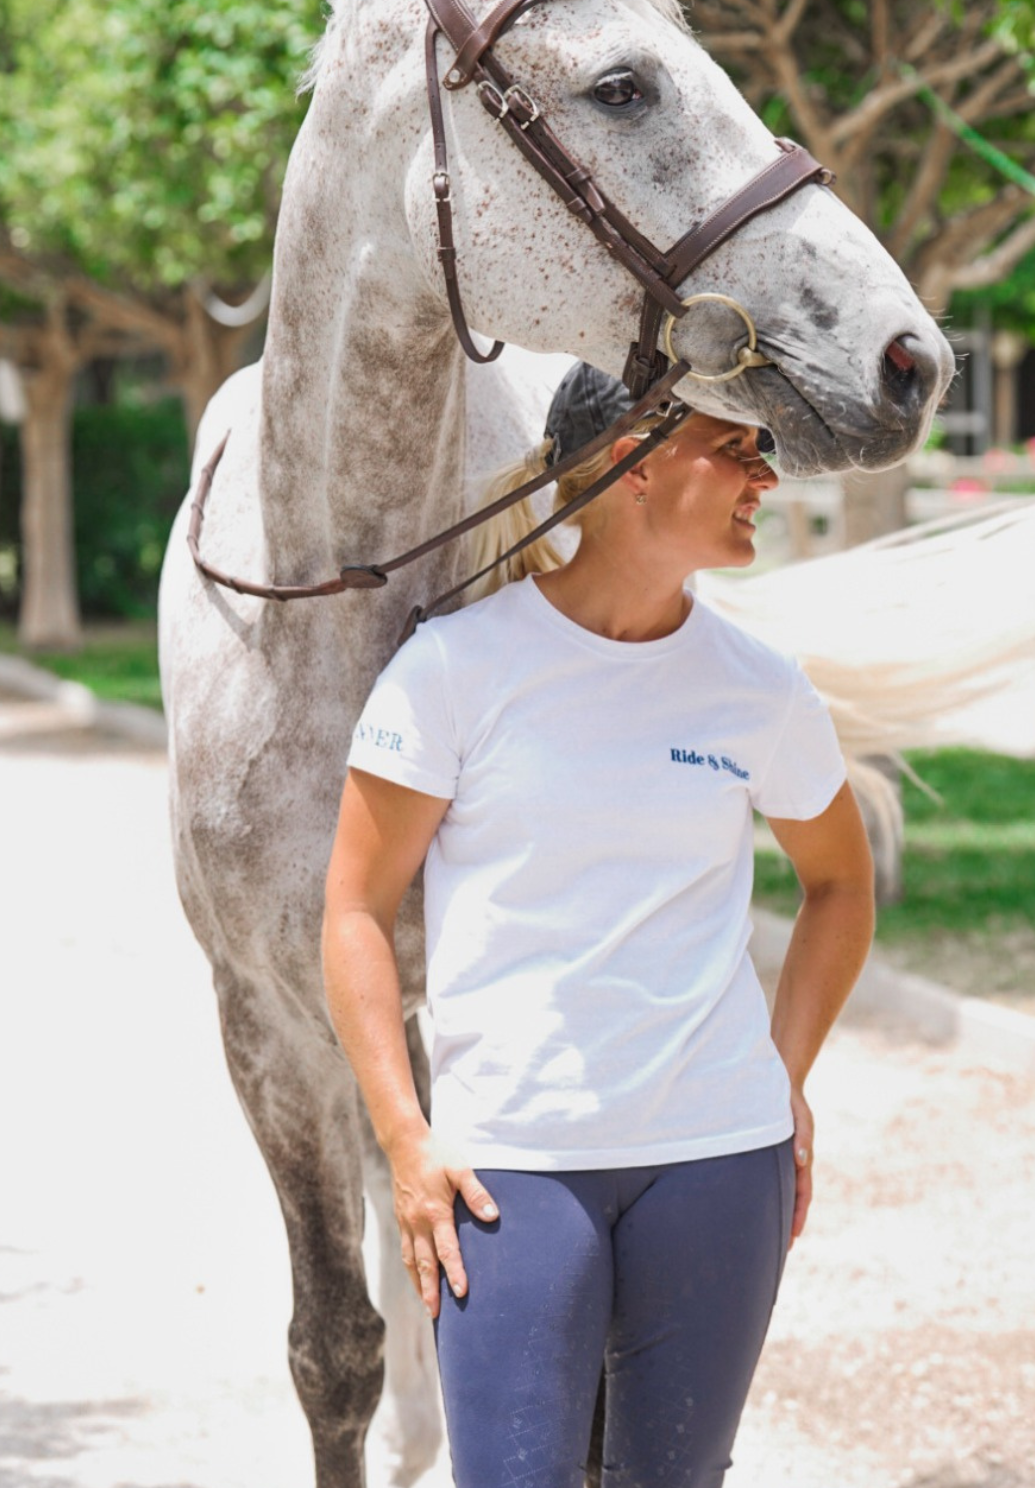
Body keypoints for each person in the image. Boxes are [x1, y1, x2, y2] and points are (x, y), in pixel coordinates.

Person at [322, 363, 875, 1487]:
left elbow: (840, 886)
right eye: (739, 448)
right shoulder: (455, 670)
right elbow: (355, 909)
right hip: (509, 1167)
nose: (764, 477)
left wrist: (787, 1073)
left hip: (721, 1159)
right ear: (631, 459)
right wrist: (403, 1134)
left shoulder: (760, 688)